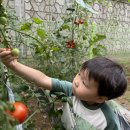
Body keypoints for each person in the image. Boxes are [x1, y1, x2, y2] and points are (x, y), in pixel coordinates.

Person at [0, 48, 128, 130]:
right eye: (79, 74)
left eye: (84, 83)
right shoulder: (70, 90)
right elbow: (43, 80)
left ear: (100, 98)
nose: (77, 82)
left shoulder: (108, 120)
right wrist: (14, 65)